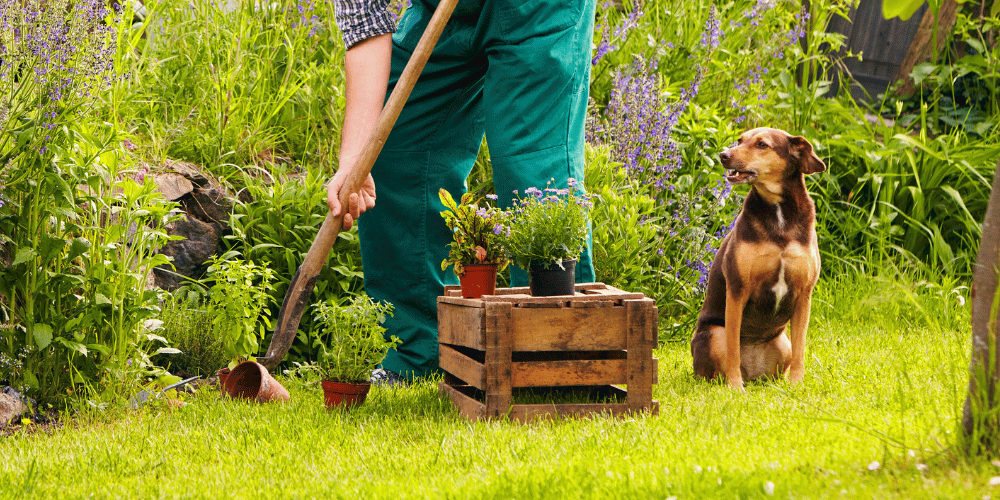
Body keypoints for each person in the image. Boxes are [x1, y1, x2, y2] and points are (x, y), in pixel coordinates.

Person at [326, 0, 597, 385]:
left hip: (538, 9)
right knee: (393, 147)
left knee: (532, 172)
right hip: (445, 10)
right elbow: (366, 28)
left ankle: (561, 356)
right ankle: (423, 352)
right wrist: (355, 158)